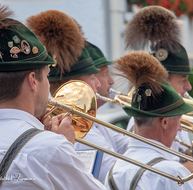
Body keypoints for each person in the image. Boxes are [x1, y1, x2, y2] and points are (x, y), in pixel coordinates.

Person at [0, 5, 107, 189]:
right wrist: (64, 146)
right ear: (33, 80)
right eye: (47, 75)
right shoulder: (49, 148)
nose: (48, 86)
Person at [26, 10, 130, 183]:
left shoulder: (89, 123)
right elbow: (118, 179)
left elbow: (129, 149)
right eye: (92, 77)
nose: (98, 84)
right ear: (74, 85)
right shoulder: (75, 126)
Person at [104, 51, 193, 190]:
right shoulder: (173, 173)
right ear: (164, 122)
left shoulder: (113, 172)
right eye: (178, 120)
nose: (179, 128)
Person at [125, 5, 193, 166]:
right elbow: (160, 172)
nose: (188, 87)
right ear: (163, 81)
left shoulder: (177, 117)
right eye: (183, 79)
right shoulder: (144, 121)